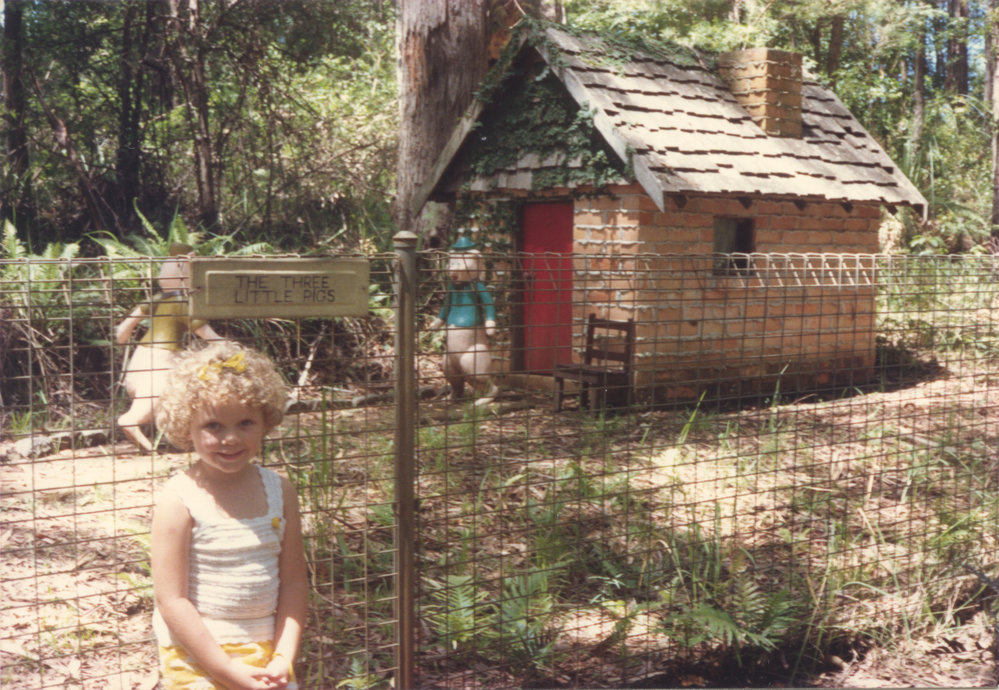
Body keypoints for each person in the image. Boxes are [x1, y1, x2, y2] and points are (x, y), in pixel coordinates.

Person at [150, 341, 307, 689]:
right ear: (185, 427)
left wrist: (284, 656)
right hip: (198, 654)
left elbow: (294, 581)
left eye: (245, 422)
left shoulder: (280, 491)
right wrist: (225, 670)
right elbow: (171, 600)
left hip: (266, 651)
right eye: (214, 426)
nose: (231, 438)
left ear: (265, 421)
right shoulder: (179, 499)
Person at [116, 244, 222, 452]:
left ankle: (173, 441)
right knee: (159, 395)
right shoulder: (184, 303)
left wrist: (122, 335)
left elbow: (126, 326)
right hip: (161, 359)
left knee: (167, 401)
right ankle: (131, 420)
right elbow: (207, 334)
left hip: (140, 356)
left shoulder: (157, 298)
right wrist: (224, 345)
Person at [429, 235, 498, 404]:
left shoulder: (476, 286)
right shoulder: (453, 288)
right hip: (453, 340)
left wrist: (490, 320)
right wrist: (439, 320)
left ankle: (489, 390)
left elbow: (488, 303)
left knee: (472, 364)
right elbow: (447, 305)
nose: (454, 271)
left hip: (471, 339)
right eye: (452, 265)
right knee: (448, 365)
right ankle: (457, 392)